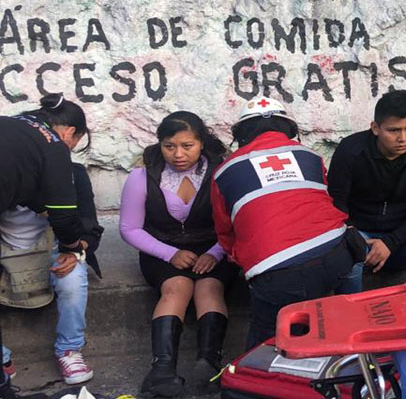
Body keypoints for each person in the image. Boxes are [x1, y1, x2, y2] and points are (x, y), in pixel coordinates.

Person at [210, 97, 359, 350]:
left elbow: (226, 234)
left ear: (242, 133)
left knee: (265, 345)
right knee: (329, 320)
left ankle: (252, 383)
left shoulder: (225, 171)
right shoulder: (310, 156)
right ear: (288, 129)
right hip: (337, 256)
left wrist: (246, 260)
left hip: (277, 272)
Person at [120, 112, 233, 396]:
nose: (178, 154)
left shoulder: (222, 172)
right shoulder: (142, 176)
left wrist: (216, 253)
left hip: (215, 246)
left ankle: (208, 364)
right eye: (169, 146)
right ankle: (162, 370)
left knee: (210, 288)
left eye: (187, 146)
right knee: (176, 288)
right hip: (161, 250)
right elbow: (130, 229)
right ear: (160, 145)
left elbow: (236, 222)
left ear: (201, 144)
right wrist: (170, 254)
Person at [0, 94, 89, 399]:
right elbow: (64, 216)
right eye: (75, 143)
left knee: (73, 276)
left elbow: (21, 188)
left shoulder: (12, 129)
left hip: (40, 251)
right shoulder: (53, 145)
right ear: (69, 133)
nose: (71, 150)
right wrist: (72, 247)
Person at [329, 91, 406, 293]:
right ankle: (351, 317)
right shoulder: (351, 151)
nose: (403, 138)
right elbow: (335, 204)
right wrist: (354, 237)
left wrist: (390, 242)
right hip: (361, 234)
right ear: (375, 128)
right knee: (346, 255)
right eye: (393, 130)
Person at [0, 162, 103, 388]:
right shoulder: (6, 172)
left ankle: (69, 349)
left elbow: (89, 227)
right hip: (6, 253)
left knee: (73, 279)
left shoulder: (69, 174)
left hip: (53, 250)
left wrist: (75, 252)